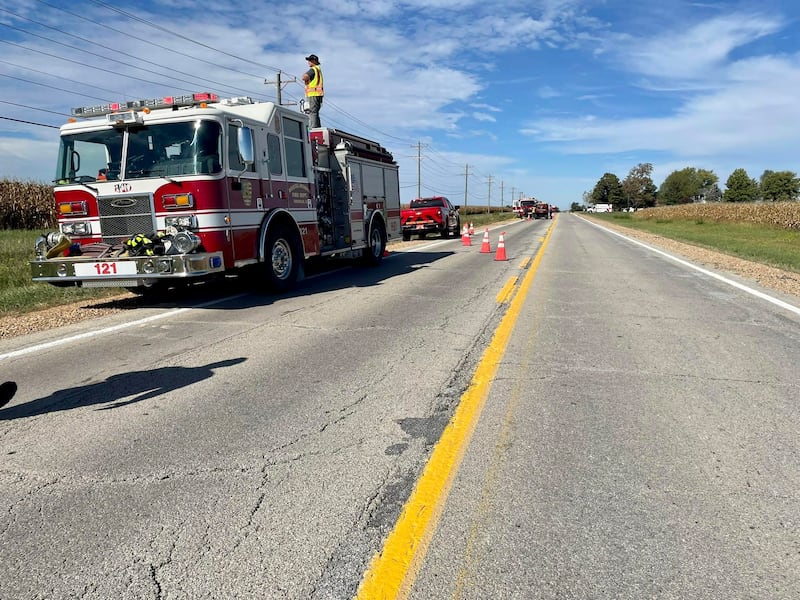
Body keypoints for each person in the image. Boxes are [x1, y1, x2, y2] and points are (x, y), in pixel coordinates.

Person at [302, 53, 324, 128]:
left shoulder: (313, 69)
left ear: (314, 61)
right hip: (318, 94)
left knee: (312, 112)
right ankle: (317, 127)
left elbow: (304, 77)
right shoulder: (318, 69)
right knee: (315, 113)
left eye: (310, 60)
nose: (308, 62)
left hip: (313, 94)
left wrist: (304, 75)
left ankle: (313, 128)